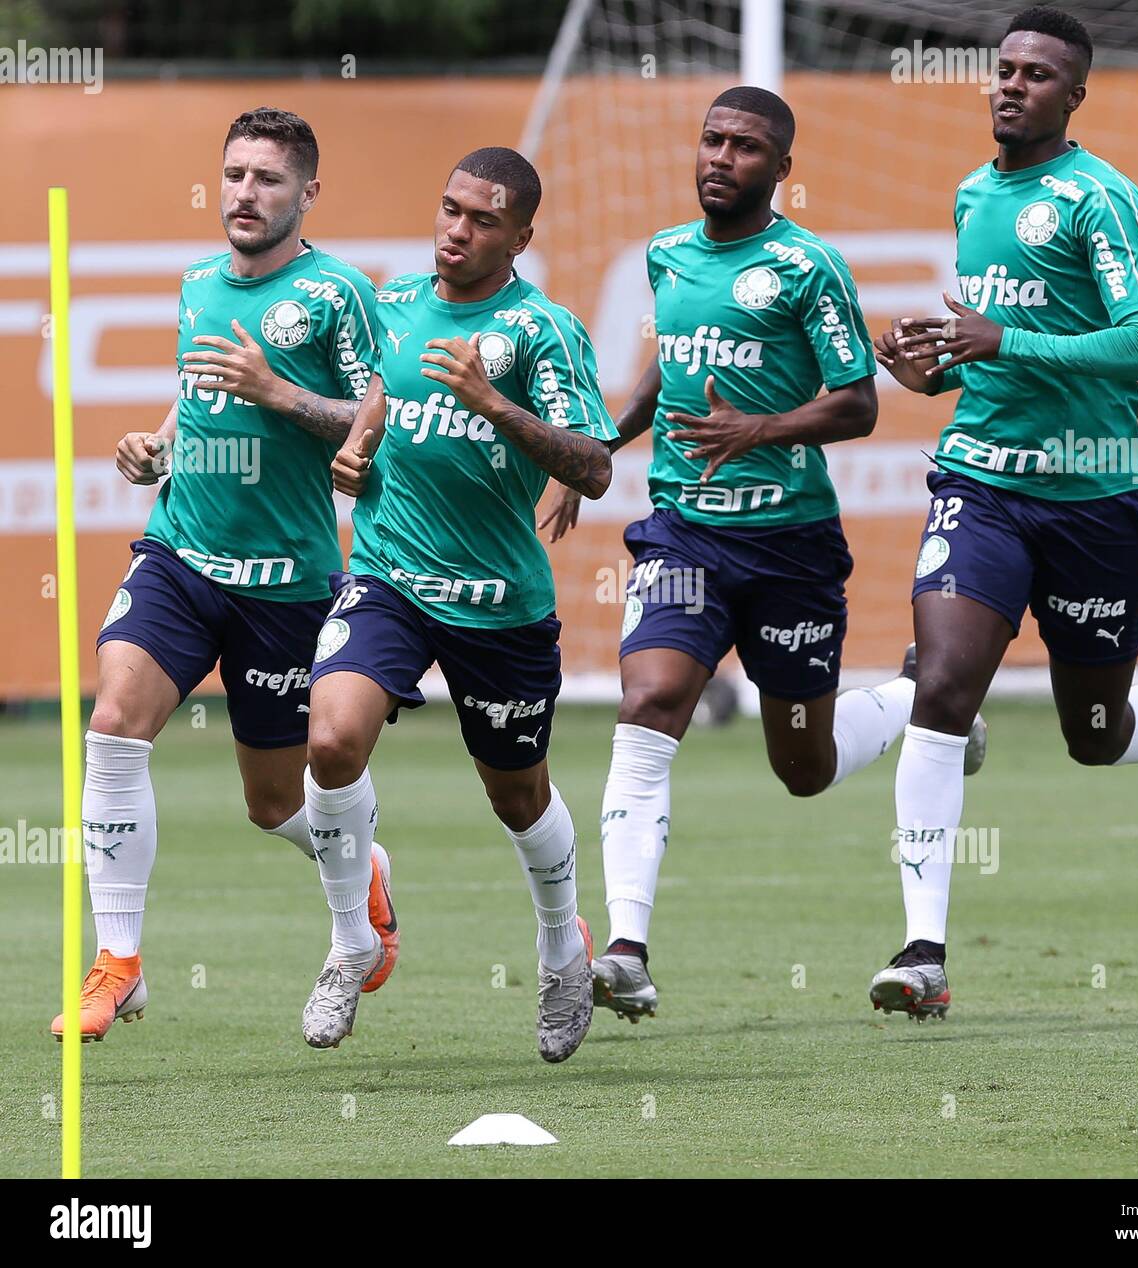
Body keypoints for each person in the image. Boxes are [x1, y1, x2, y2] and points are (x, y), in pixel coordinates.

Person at [541, 86, 985, 1025]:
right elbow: (669, 366)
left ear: (781, 169)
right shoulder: (665, 255)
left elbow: (859, 401)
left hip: (789, 547)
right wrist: (602, 451)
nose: (720, 158)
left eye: (744, 147)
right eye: (711, 140)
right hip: (684, 535)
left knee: (803, 766)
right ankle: (624, 949)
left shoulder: (807, 266)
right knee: (650, 701)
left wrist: (762, 429)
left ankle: (918, 699)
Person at [869, 6, 1138, 1022]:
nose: (1010, 85)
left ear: (1074, 95)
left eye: (1035, 75)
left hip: (1093, 495)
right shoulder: (970, 193)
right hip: (982, 482)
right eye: (1002, 69)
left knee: (1094, 731)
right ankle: (922, 950)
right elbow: (989, 351)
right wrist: (930, 369)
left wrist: (999, 340)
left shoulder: (1102, 199)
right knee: (944, 683)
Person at [54, 107, 398, 1043]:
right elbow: (196, 392)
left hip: (286, 579)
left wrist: (278, 392)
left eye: (268, 180)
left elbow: (377, 418)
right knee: (114, 721)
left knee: (275, 801)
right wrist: (156, 448)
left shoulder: (338, 295)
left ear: (308, 193)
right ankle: (118, 964)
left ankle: (362, 880)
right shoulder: (199, 282)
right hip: (181, 553)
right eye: (235, 175)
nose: (245, 194)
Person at [299, 148, 617, 1063]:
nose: (457, 230)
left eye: (482, 219)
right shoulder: (393, 305)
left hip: (498, 600)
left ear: (521, 235)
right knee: (330, 739)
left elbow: (592, 467)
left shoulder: (543, 331)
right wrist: (355, 457)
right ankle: (352, 941)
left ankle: (563, 949)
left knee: (517, 794)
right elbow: (374, 406)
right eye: (449, 210)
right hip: (391, 577)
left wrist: (489, 400)